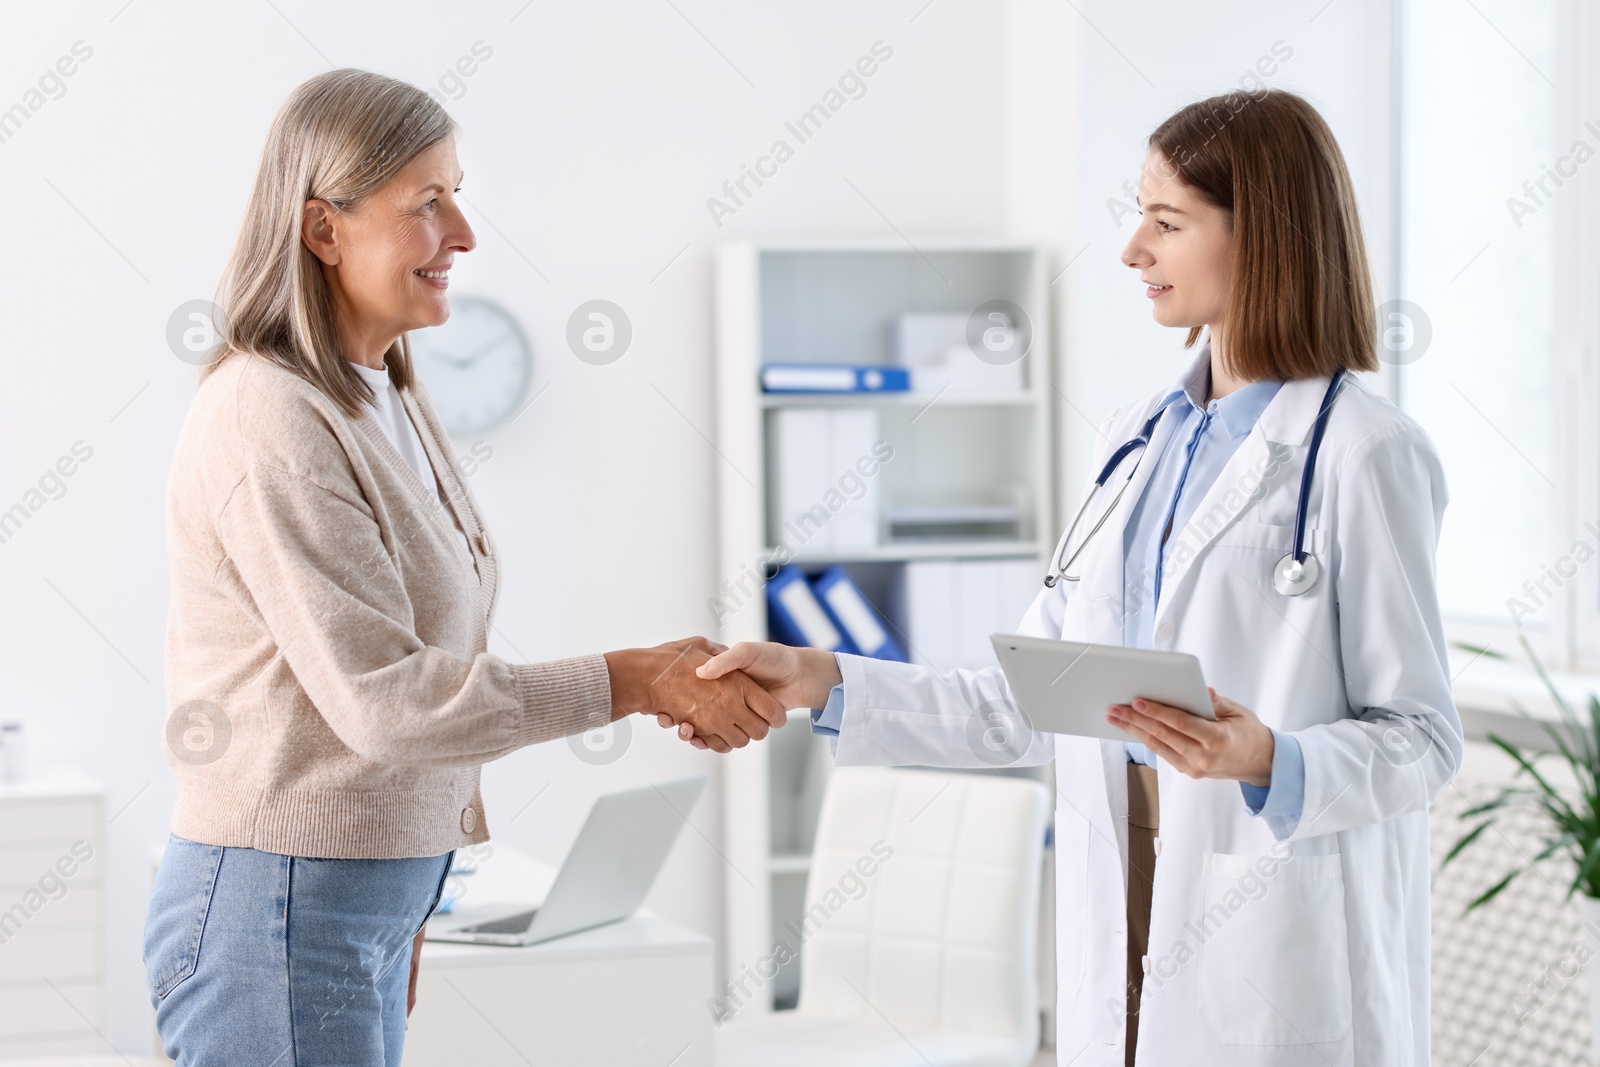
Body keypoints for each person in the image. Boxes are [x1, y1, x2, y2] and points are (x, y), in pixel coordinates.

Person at [678, 89, 1462, 1066]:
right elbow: (1028, 701)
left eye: (1165, 222)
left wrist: (1270, 756)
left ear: (1261, 236)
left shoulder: (1362, 451)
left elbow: (1424, 739)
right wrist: (822, 678)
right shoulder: (1134, 439)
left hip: (1264, 898)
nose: (1132, 249)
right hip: (1120, 866)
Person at [143, 69, 783, 1067]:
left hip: (352, 896)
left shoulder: (383, 387)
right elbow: (387, 699)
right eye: (426, 203)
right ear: (323, 229)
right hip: (278, 907)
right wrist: (632, 679)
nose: (466, 233)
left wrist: (404, 893)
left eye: (458, 193)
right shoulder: (267, 414)